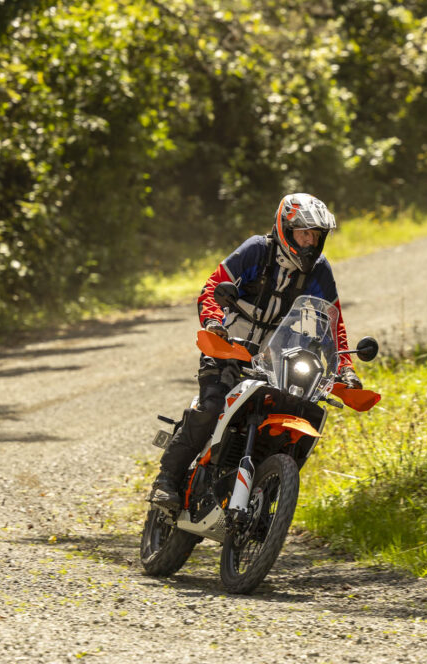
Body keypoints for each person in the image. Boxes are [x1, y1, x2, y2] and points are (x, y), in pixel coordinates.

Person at [149, 192, 363, 511]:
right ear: (286, 230)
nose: (310, 242)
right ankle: (166, 479)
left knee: (304, 411)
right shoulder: (257, 251)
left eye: (316, 236)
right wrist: (213, 323)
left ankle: (267, 495)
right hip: (227, 347)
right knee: (211, 406)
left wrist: (344, 368)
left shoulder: (320, 271)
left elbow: (333, 324)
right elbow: (213, 287)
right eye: (304, 233)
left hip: (275, 362)